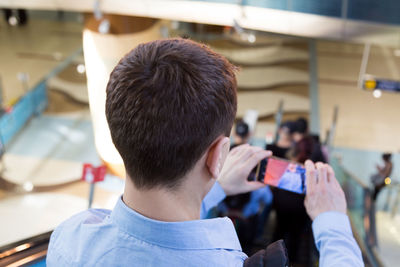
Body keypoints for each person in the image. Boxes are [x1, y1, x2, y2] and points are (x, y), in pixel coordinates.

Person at [47, 39, 363, 266]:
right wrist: (332, 222)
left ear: (118, 135)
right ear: (218, 155)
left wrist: (216, 187)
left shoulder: (70, 237)